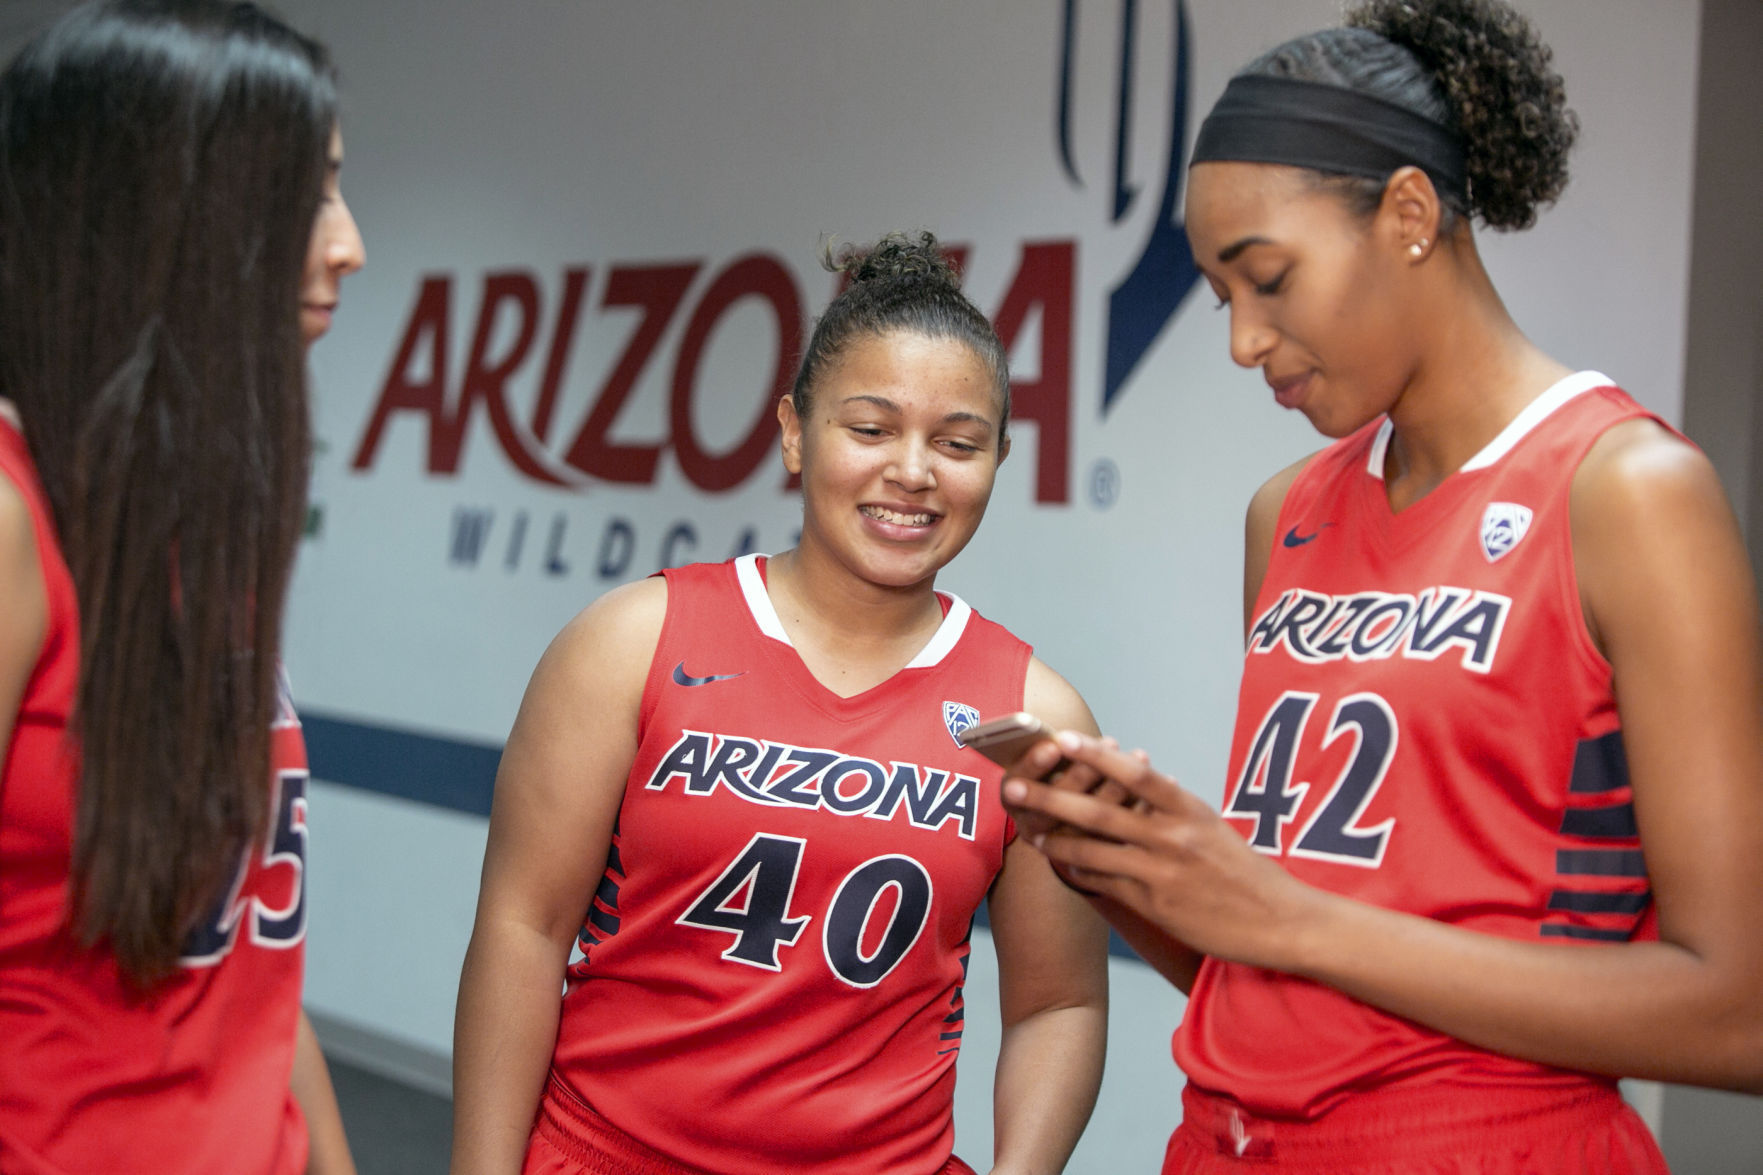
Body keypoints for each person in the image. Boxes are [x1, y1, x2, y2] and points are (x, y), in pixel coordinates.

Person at [1000, 0, 1763, 1171]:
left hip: (1483, 1143)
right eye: (1219, 296)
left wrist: (1286, 915)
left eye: (1268, 279)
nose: (1242, 341)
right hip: (1225, 1139)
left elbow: (1735, 1011)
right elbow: (1283, 971)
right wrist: (1138, 872)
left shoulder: (1625, 491)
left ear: (1408, 214)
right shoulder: (1286, 511)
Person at [452, 232, 1110, 1175]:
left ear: (1000, 457)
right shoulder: (633, 641)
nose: (914, 471)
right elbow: (523, 929)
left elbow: (1060, 1003)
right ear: (795, 430)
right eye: (871, 429)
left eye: (957, 442)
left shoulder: (1033, 715)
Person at [0, 1, 366, 1171]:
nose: (349, 242)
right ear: (177, 211)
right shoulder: (14, 517)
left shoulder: (189, 529)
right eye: (307, 194)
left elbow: (241, 964)